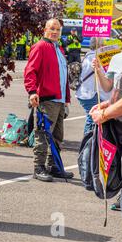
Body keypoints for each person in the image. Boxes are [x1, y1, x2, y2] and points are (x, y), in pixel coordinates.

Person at [90, 27, 122, 242]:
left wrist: (106, 113)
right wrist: (99, 71)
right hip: (119, 130)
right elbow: (112, 88)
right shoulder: (119, 60)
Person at [24, 18, 74, 182]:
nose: (55, 32)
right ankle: (39, 167)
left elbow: (63, 76)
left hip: (59, 100)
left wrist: (66, 99)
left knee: (57, 136)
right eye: (52, 28)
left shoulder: (58, 48)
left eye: (58, 29)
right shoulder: (40, 47)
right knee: (43, 135)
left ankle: (54, 167)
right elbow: (30, 71)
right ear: (45, 29)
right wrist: (32, 92)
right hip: (46, 100)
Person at [75, 37, 111, 135]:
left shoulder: (89, 55)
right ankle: (88, 142)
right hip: (90, 93)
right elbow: (106, 74)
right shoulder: (95, 56)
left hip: (85, 92)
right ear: (100, 45)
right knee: (93, 119)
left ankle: (90, 141)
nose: (105, 45)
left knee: (92, 118)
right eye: (104, 43)